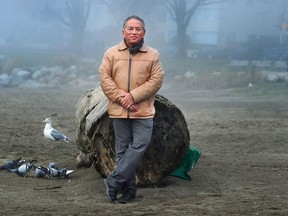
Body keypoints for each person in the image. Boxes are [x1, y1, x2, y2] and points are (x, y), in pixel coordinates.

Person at [98, 15, 164, 204]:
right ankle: (128, 190)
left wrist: (133, 96)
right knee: (122, 151)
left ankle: (113, 180)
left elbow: (156, 80)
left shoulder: (153, 55)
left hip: (142, 111)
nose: (134, 32)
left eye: (138, 29)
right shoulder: (111, 53)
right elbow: (105, 79)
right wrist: (123, 98)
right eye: (130, 29)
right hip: (119, 110)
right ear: (123, 31)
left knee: (140, 144)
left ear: (144, 32)